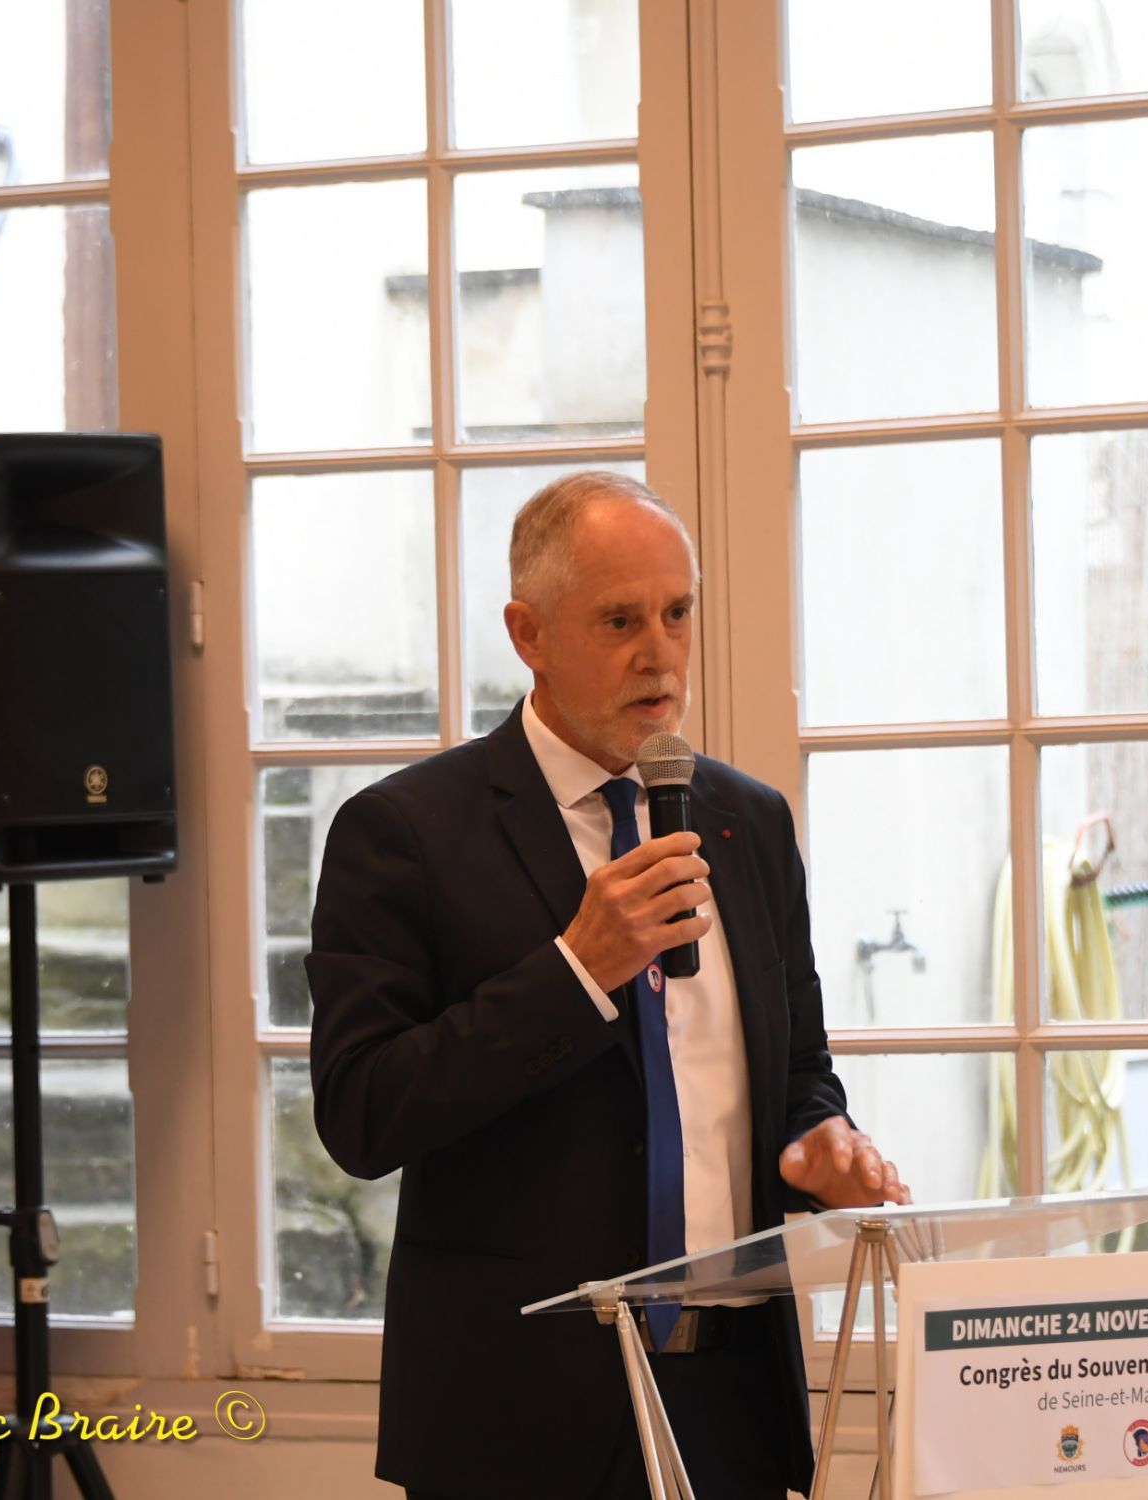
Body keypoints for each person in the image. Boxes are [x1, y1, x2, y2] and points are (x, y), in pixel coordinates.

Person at [307, 470, 907, 1500]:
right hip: (518, 1421)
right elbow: (362, 1115)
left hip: (732, 1406)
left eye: (678, 613)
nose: (659, 652)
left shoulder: (749, 823)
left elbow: (800, 1069)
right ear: (529, 634)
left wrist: (819, 1145)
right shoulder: (405, 833)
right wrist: (576, 970)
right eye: (621, 620)